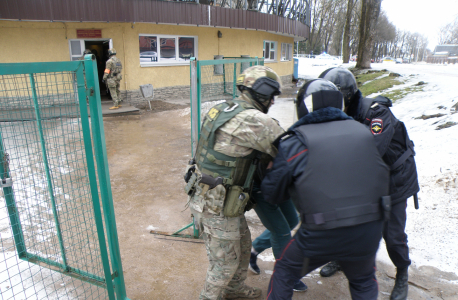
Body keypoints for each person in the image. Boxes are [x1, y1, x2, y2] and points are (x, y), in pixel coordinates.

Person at [263, 79, 391, 300]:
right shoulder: (364, 132)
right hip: (369, 227)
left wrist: (271, 170)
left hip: (321, 232)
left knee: (284, 272)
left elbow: (272, 194)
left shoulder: (295, 142)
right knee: (362, 281)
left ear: (302, 106)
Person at [184, 66, 285, 300]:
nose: (272, 101)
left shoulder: (222, 108)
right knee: (224, 265)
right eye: (272, 95)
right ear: (263, 92)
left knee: (241, 246)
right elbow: (291, 150)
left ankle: (234, 290)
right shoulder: (255, 120)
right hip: (217, 204)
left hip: (214, 196)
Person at [318, 67, 419, 300]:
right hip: (363, 177)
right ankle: (342, 258)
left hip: (393, 179)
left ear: (347, 95)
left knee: (392, 234)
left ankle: (402, 272)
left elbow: (371, 151)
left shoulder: (376, 113)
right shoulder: (338, 113)